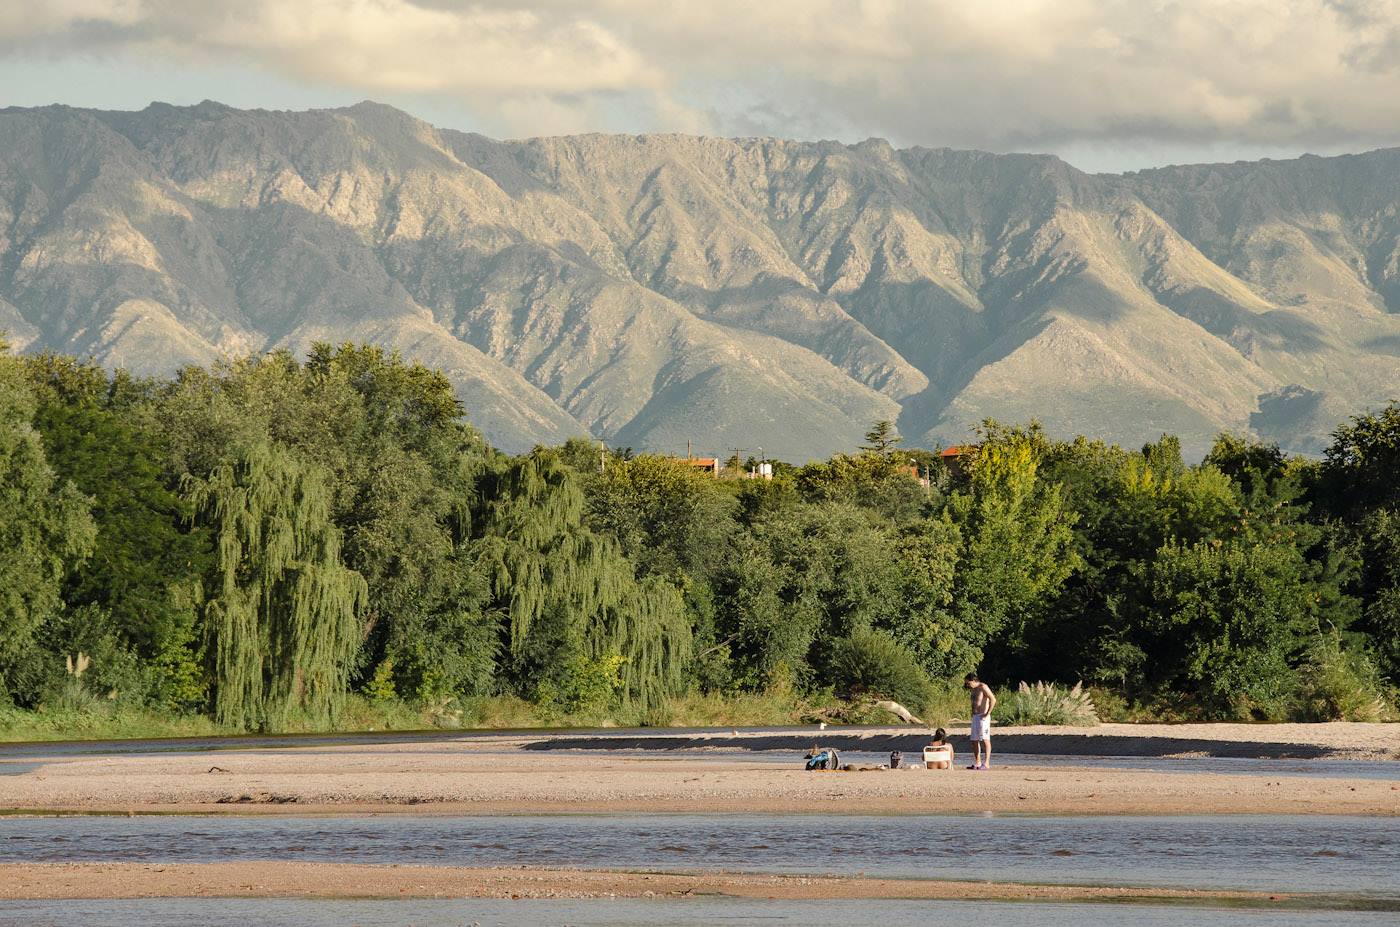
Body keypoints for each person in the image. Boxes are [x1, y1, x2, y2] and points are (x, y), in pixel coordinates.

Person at [964, 672, 996, 770]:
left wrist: (987, 713)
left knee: (985, 739)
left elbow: (993, 699)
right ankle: (978, 762)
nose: (967, 685)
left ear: (973, 680)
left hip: (983, 717)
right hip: (975, 717)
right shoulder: (973, 689)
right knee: (974, 740)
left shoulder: (983, 687)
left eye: (968, 683)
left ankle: (986, 763)